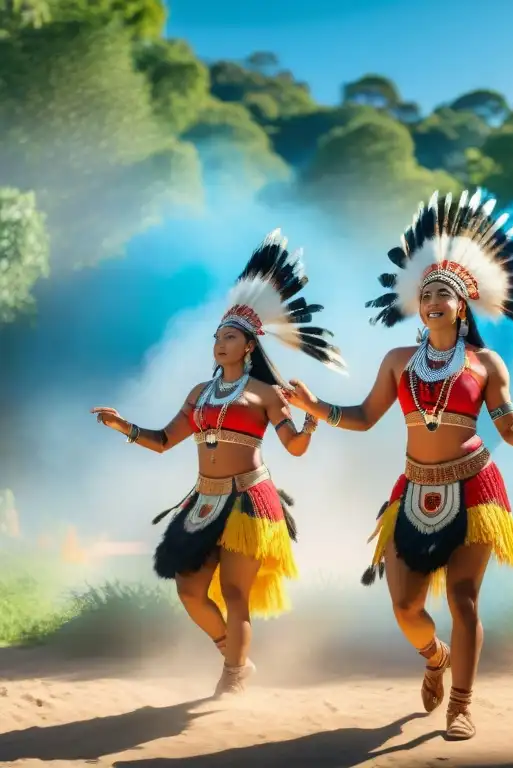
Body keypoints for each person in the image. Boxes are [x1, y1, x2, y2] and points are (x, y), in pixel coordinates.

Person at [283, 189, 513, 740]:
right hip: (413, 492)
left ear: (463, 305)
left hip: (476, 490)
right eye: (427, 292)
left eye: (445, 293)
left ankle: (461, 705)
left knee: (463, 599)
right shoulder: (397, 361)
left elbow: (508, 426)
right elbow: (363, 416)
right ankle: (435, 657)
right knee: (407, 606)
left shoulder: (486, 364)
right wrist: (314, 407)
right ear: (418, 304)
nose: (433, 299)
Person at [91, 230, 344, 696]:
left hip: (250, 503)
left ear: (249, 345)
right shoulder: (199, 393)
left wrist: (310, 422)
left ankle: (231, 678)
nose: (219, 343)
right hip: (203, 502)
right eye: (217, 337)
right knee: (189, 590)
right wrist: (124, 426)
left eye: (228, 337)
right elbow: (166, 439)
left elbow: (294, 448)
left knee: (234, 594)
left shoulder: (268, 394)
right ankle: (236, 655)